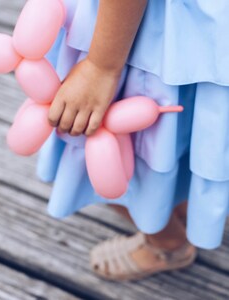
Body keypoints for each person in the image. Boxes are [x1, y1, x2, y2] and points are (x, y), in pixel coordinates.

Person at [38, 0, 229, 280]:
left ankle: (167, 244)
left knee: (111, 155)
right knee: (202, 135)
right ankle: (186, 208)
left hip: (142, 35)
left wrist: (101, 66)